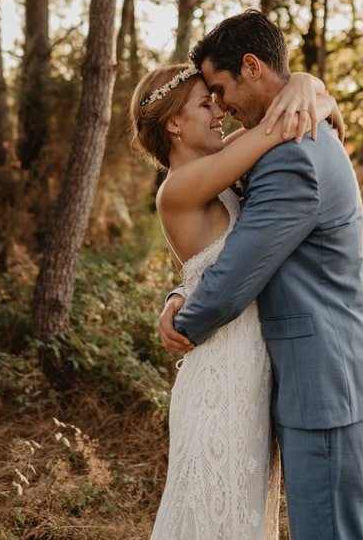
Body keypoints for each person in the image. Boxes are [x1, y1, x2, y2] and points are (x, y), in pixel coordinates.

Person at [158, 10, 363, 540]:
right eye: (208, 100)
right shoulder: (281, 140)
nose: (221, 106)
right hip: (304, 376)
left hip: (327, 380)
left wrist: (184, 322)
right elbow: (218, 246)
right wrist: (181, 289)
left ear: (251, 66)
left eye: (220, 90)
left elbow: (238, 267)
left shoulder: (291, 155)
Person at [131, 55, 342, 540]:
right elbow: (279, 126)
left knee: (243, 513)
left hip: (254, 370)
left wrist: (310, 86)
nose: (219, 111)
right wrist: (307, 88)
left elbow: (294, 114)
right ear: (175, 125)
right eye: (206, 104)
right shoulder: (177, 189)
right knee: (209, 511)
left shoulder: (220, 161)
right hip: (218, 377)